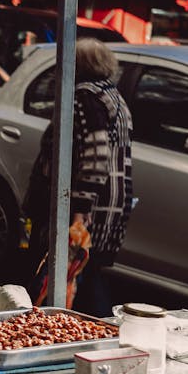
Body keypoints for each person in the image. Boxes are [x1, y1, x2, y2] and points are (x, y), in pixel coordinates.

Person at [23, 37, 133, 317]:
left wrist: (79, 210)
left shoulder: (86, 97)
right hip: (107, 205)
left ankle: (59, 333)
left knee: (67, 272)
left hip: (81, 206)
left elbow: (96, 156)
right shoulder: (113, 96)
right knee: (84, 271)